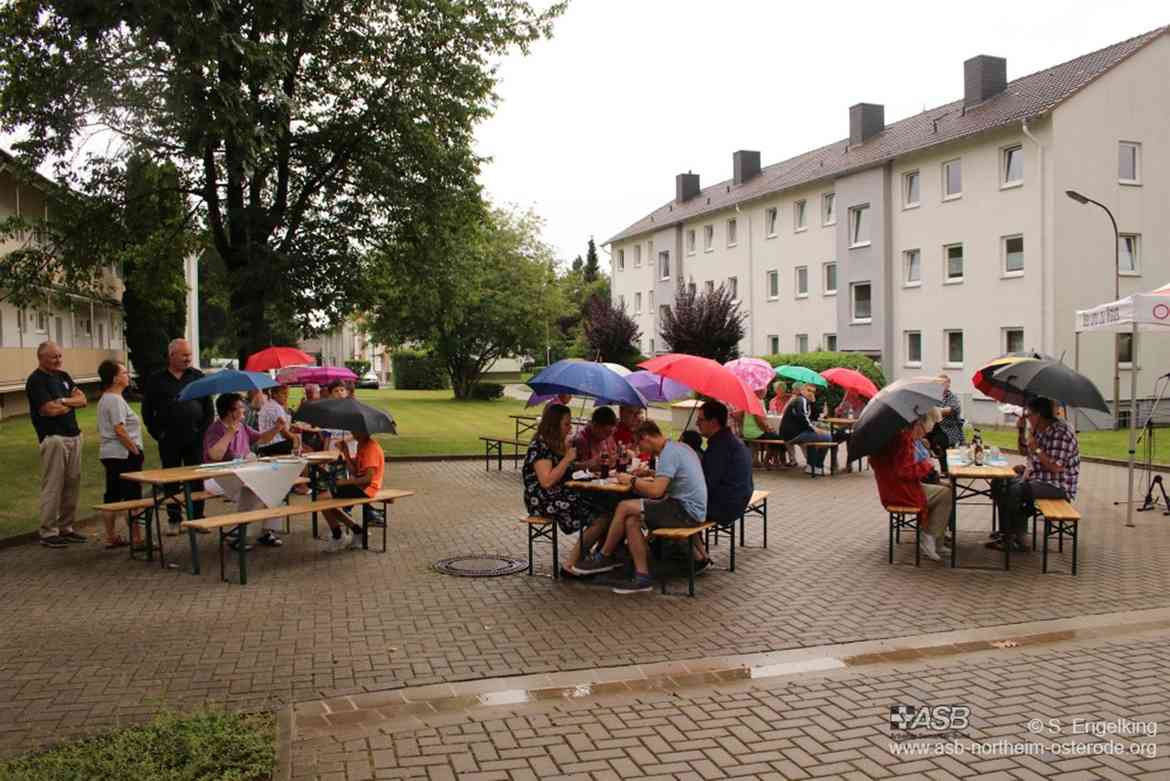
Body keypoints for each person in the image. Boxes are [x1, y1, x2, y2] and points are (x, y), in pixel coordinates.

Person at [572, 421, 709, 594]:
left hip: (685, 511)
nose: (640, 449)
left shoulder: (669, 453)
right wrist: (650, 474)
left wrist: (631, 480)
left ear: (646, 438)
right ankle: (642, 577)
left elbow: (656, 491)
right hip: (691, 509)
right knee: (631, 520)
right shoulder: (679, 447)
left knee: (624, 506)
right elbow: (671, 480)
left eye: (639, 444)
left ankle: (604, 556)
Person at [990, 397, 1080, 553]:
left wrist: (1037, 449)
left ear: (1039, 415)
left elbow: (1056, 467)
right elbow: (1024, 451)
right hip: (1037, 478)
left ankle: (1015, 538)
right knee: (999, 482)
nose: (1026, 417)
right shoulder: (1039, 429)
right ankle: (1008, 533)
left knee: (1014, 490)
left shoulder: (1062, 433)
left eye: (1028, 414)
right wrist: (1021, 432)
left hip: (1058, 485)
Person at [142, 338, 213, 534]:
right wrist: (159, 434)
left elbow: (208, 409)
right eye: (184, 355)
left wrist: (202, 433)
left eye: (189, 355)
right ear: (171, 355)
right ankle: (174, 519)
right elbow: (148, 411)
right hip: (169, 439)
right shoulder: (157, 379)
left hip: (194, 437)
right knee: (171, 479)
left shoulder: (198, 376)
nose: (188, 358)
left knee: (196, 479)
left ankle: (198, 518)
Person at [202, 392, 289, 547]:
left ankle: (266, 531)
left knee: (274, 484)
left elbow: (263, 438)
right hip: (217, 477)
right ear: (230, 412)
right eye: (240, 407)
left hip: (243, 474)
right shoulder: (215, 429)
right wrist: (229, 434)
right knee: (253, 488)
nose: (244, 410)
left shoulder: (242, 426)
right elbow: (215, 456)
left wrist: (277, 428)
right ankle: (238, 534)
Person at [522, 404, 600, 571]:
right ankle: (572, 564)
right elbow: (547, 481)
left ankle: (599, 555)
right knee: (599, 515)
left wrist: (590, 465)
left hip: (558, 494)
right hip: (543, 499)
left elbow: (566, 471)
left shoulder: (556, 444)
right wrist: (567, 459)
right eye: (566, 424)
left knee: (602, 503)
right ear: (554, 424)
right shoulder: (540, 445)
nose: (570, 427)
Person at [26, 341, 88, 548]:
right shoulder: (36, 380)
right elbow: (48, 410)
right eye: (53, 356)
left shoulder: (63, 376)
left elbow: (82, 399)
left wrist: (62, 402)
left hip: (74, 436)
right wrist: (67, 403)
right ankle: (48, 531)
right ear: (41, 357)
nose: (58, 360)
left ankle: (66, 527)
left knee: (72, 483)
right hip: (53, 438)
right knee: (53, 485)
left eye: (59, 356)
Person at [870, 412, 953, 561]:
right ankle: (930, 537)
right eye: (925, 431)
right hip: (902, 492)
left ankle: (934, 539)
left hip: (893, 489)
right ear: (918, 425)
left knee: (943, 490)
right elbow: (906, 471)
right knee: (946, 494)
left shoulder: (895, 438)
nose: (924, 435)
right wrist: (926, 466)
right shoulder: (903, 441)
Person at [96, 360, 145, 549]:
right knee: (133, 496)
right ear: (115, 378)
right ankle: (137, 538)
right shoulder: (115, 400)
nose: (128, 376)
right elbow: (120, 429)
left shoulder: (105, 398)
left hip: (109, 454)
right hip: (123, 454)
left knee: (113, 494)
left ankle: (111, 536)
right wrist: (135, 451)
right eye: (124, 373)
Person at [320, 430, 385, 552]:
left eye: (355, 430)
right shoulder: (362, 445)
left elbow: (367, 479)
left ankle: (339, 536)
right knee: (325, 500)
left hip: (368, 489)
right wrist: (345, 452)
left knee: (322, 499)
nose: (352, 432)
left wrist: (343, 483)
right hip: (361, 487)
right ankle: (356, 531)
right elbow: (355, 471)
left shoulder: (371, 448)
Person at [696, 401, 753, 529]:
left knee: (670, 508)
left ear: (714, 422)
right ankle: (697, 549)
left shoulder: (720, 446)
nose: (697, 423)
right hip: (737, 500)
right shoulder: (728, 440)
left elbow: (706, 484)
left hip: (724, 507)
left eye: (701, 420)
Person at [779, 382, 835, 472]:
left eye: (813, 392)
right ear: (802, 390)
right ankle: (817, 466)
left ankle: (811, 465)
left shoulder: (805, 402)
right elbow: (803, 418)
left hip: (794, 433)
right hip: (792, 434)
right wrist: (814, 429)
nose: (810, 393)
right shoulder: (801, 400)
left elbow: (813, 418)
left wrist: (813, 403)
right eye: (808, 390)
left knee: (815, 436)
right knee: (828, 437)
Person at [570, 407, 618, 472]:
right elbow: (572, 467)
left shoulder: (608, 437)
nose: (608, 437)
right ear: (595, 426)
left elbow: (614, 455)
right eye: (606, 432)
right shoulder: (581, 440)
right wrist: (593, 462)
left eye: (611, 432)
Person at [257, 385, 299, 457]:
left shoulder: (268, 404)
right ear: (275, 394)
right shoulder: (276, 407)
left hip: (264, 444)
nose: (286, 397)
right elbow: (284, 434)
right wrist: (295, 437)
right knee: (299, 441)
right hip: (272, 444)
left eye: (287, 394)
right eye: (284, 394)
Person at [936, 375, 965, 448]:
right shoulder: (934, 396)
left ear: (949, 384)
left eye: (943, 382)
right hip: (935, 433)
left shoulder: (953, 398)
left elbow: (951, 410)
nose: (941, 385)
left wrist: (933, 411)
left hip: (950, 434)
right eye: (939, 383)